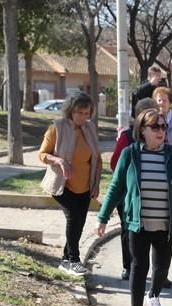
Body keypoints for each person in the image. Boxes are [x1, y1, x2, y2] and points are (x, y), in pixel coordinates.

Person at [96, 108, 172, 306]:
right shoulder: (130, 154)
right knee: (139, 268)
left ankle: (154, 295)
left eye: (163, 127)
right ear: (142, 129)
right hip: (137, 224)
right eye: (156, 127)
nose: (161, 131)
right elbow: (116, 187)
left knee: (161, 269)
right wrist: (103, 216)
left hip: (166, 223)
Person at [39, 92, 102, 276]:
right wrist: (59, 161)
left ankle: (66, 259)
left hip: (85, 185)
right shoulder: (57, 128)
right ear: (70, 110)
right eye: (79, 112)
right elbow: (42, 154)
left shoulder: (89, 129)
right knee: (73, 217)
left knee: (79, 222)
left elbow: (97, 159)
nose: (82, 117)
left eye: (86, 113)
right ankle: (74, 260)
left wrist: (96, 183)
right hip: (62, 185)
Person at [110, 97, 160, 280]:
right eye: (147, 114)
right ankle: (129, 266)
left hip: (153, 195)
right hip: (129, 195)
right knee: (128, 231)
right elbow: (115, 164)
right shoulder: (126, 136)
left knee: (156, 235)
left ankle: (158, 271)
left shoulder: (161, 135)